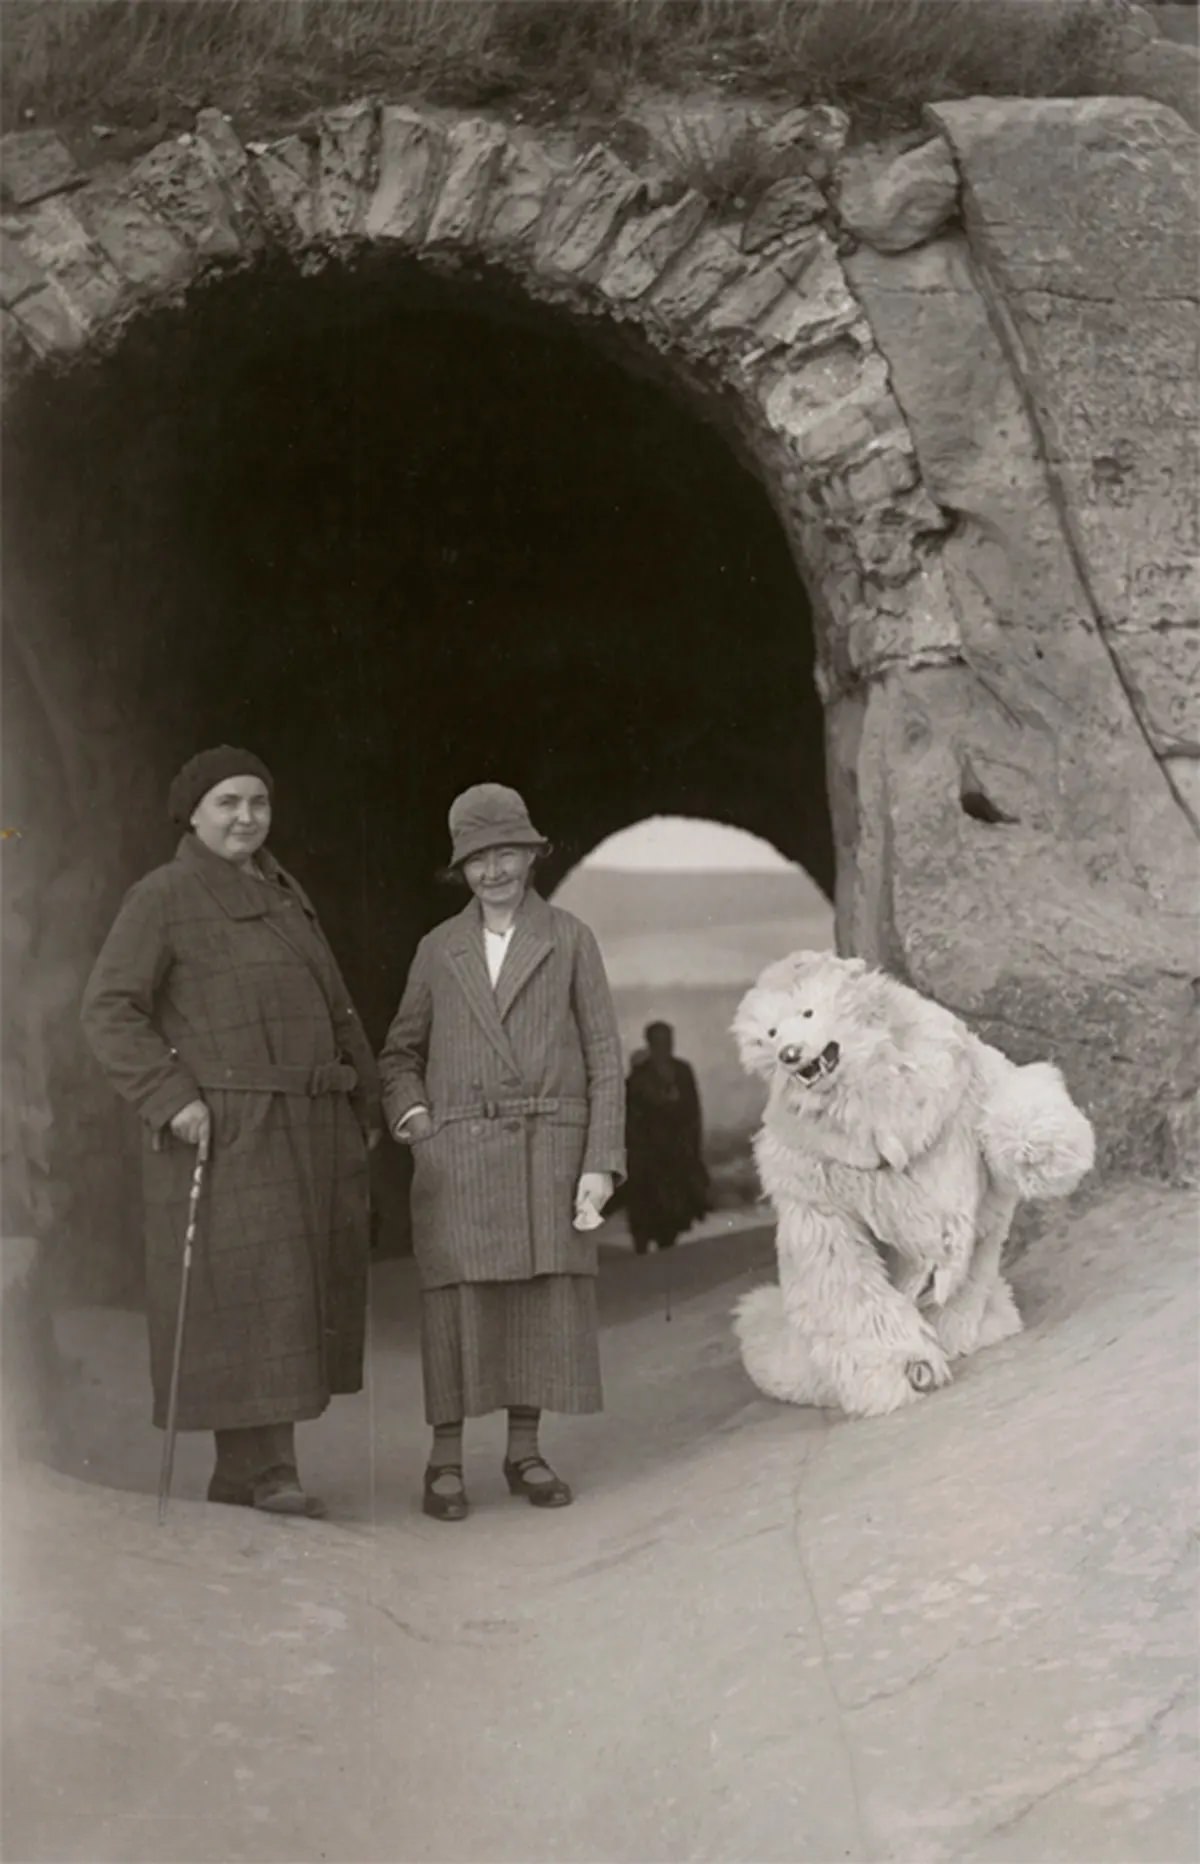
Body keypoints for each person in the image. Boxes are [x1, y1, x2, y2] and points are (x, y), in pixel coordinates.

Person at [81, 746, 380, 1518]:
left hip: (305, 1122)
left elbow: (336, 1001)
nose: (246, 817)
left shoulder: (280, 889)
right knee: (250, 1292)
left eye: (258, 802)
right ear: (192, 814)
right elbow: (110, 1009)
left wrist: (362, 1098)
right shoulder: (164, 896)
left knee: (288, 1289)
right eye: (227, 804)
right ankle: (263, 1471)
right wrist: (169, 1094)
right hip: (230, 1124)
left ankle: (251, 1472)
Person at [379, 783, 624, 1522]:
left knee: (535, 1303)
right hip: (460, 1159)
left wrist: (598, 1161)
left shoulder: (571, 938)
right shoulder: (437, 948)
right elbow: (399, 1053)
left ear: (533, 854)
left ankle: (525, 1451)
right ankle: (444, 1460)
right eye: (479, 858)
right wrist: (416, 1119)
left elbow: (606, 1057)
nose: (495, 871)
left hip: (546, 1151)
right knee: (459, 1306)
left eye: (508, 852)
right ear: (461, 868)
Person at [625, 1022, 709, 1255]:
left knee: (671, 1211)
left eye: (668, 1041)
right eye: (659, 1042)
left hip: (675, 1150)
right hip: (647, 1152)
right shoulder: (640, 1075)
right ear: (650, 1043)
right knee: (643, 1208)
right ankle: (641, 1254)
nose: (665, 1046)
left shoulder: (682, 1071)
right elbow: (630, 1114)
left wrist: (693, 1147)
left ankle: (665, 1254)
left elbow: (694, 1111)